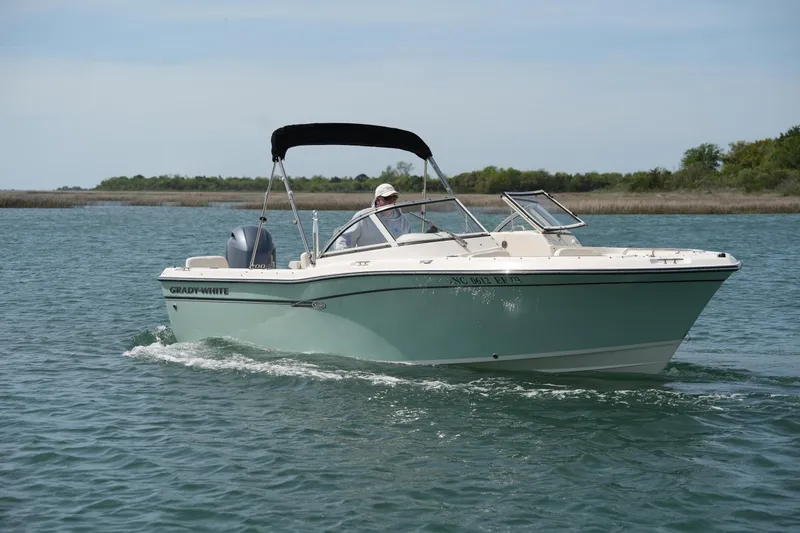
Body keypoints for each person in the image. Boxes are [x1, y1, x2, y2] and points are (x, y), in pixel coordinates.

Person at [333, 183, 411, 250]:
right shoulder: (363, 217)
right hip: (368, 262)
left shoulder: (403, 220)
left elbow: (408, 243)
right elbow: (345, 238)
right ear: (377, 200)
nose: (392, 201)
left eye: (395, 197)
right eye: (387, 198)